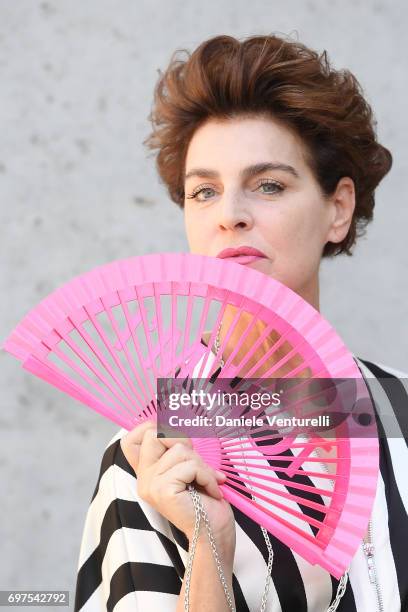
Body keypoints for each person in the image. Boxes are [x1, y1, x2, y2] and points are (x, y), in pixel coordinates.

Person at [74, 34, 408, 611]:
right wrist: (211, 546)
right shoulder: (151, 453)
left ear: (338, 208)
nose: (230, 215)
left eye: (269, 185)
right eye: (204, 191)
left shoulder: (398, 409)